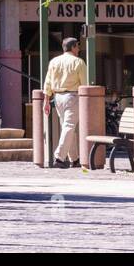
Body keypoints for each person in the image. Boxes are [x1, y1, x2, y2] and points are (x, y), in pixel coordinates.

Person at [42, 36, 87, 169]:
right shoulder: (78, 62)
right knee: (69, 126)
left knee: (68, 128)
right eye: (77, 46)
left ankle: (75, 159)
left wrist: (46, 100)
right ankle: (59, 157)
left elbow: (48, 81)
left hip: (57, 98)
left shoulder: (54, 62)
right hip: (72, 96)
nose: (78, 49)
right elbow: (84, 84)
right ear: (73, 47)